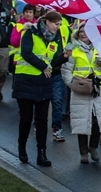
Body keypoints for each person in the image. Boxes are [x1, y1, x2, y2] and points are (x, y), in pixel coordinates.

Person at [13, 11, 67, 166]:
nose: (58, 27)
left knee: (42, 119)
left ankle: (41, 154)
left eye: (59, 25)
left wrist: (64, 58)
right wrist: (43, 66)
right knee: (26, 118)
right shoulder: (30, 32)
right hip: (25, 80)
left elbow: (54, 61)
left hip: (44, 82)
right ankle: (22, 148)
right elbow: (26, 53)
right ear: (47, 22)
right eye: (56, 24)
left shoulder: (56, 38)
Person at [62, 24, 101, 164]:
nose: (83, 34)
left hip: (99, 89)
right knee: (82, 120)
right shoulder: (72, 48)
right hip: (81, 89)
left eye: (86, 31)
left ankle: (93, 146)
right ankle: (83, 151)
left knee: (98, 120)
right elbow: (66, 69)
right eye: (80, 31)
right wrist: (71, 84)